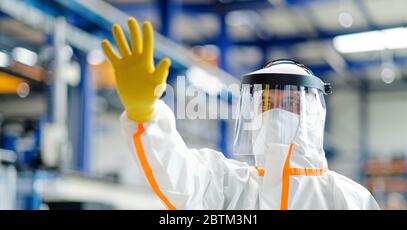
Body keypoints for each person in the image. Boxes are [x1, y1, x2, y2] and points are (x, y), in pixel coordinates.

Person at [101, 18, 380, 210]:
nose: (277, 113)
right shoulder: (230, 185)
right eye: (267, 103)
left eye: (291, 103)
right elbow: (180, 172)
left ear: (313, 116)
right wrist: (145, 114)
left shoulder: (348, 198)